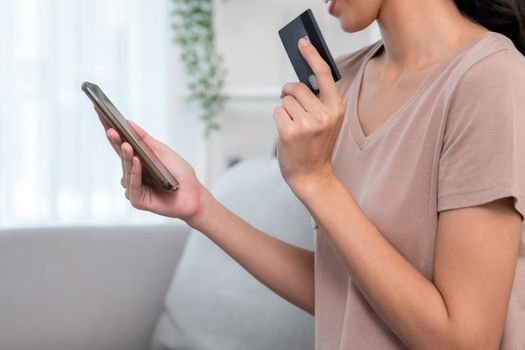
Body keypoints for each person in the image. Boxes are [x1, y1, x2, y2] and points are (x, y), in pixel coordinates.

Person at [95, 0, 525, 348]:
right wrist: (201, 207)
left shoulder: (491, 80)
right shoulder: (343, 84)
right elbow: (343, 289)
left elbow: (464, 340)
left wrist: (317, 181)